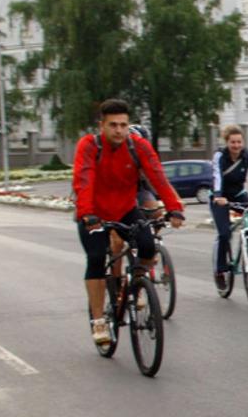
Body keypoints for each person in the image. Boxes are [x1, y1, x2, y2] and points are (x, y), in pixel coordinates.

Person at [73, 100, 185, 345]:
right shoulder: (90, 146)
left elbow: (157, 176)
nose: (119, 130)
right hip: (94, 213)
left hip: (125, 209)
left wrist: (174, 208)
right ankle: (99, 320)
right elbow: (83, 180)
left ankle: (136, 283)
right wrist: (87, 214)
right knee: (96, 258)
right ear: (102, 125)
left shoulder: (138, 146)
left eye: (123, 125)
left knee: (147, 246)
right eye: (113, 125)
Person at [210, 124, 248, 287]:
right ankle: (220, 271)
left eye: (239, 142)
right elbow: (217, 177)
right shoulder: (220, 156)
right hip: (220, 197)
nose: (236, 145)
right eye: (233, 142)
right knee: (224, 234)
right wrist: (218, 196)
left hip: (238, 194)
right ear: (227, 142)